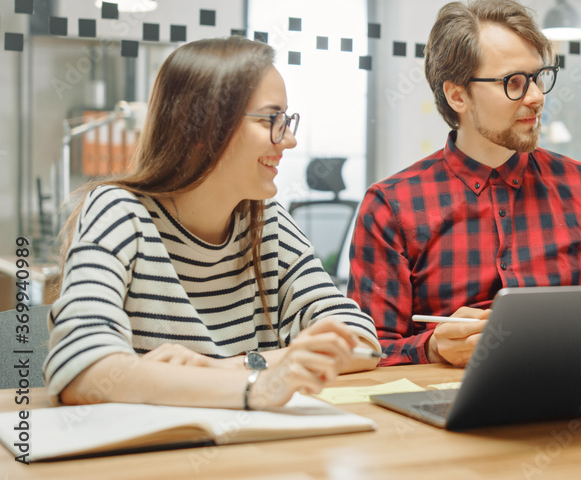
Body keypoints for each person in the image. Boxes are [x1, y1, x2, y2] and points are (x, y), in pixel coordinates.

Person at [44, 37, 380, 410]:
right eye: (271, 119)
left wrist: (231, 368)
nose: (289, 139)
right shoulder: (119, 212)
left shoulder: (268, 222)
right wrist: (258, 386)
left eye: (286, 120)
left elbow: (360, 342)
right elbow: (79, 368)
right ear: (203, 129)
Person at [347, 0, 581, 367]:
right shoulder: (392, 207)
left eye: (538, 78)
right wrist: (432, 348)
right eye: (514, 82)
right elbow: (366, 352)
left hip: (575, 409)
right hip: (443, 414)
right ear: (458, 95)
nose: (536, 97)